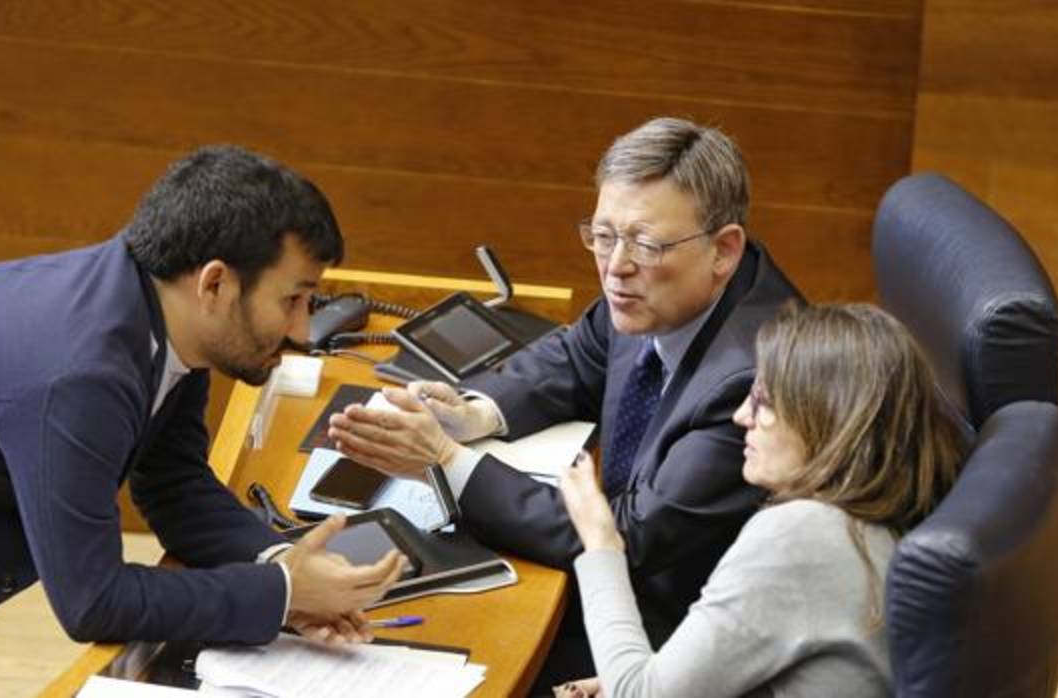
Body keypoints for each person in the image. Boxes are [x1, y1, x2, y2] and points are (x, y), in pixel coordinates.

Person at [0, 145, 405, 695]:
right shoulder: (80, 374)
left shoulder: (157, 310)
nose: (302, 331)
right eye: (294, 299)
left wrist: (281, 565)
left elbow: (172, 481)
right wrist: (282, 594)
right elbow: (94, 600)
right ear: (215, 284)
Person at [327, 117, 802, 681]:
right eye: (603, 236)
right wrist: (474, 414)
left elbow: (630, 535)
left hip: (671, 637)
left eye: (646, 244)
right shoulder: (666, 292)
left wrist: (446, 461)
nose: (616, 266)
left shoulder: (751, 382)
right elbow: (581, 353)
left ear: (724, 250)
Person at [553, 303, 968, 698]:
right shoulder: (879, 513)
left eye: (763, 402)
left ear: (827, 417)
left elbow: (637, 694)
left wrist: (602, 541)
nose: (741, 417)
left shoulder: (804, 535)